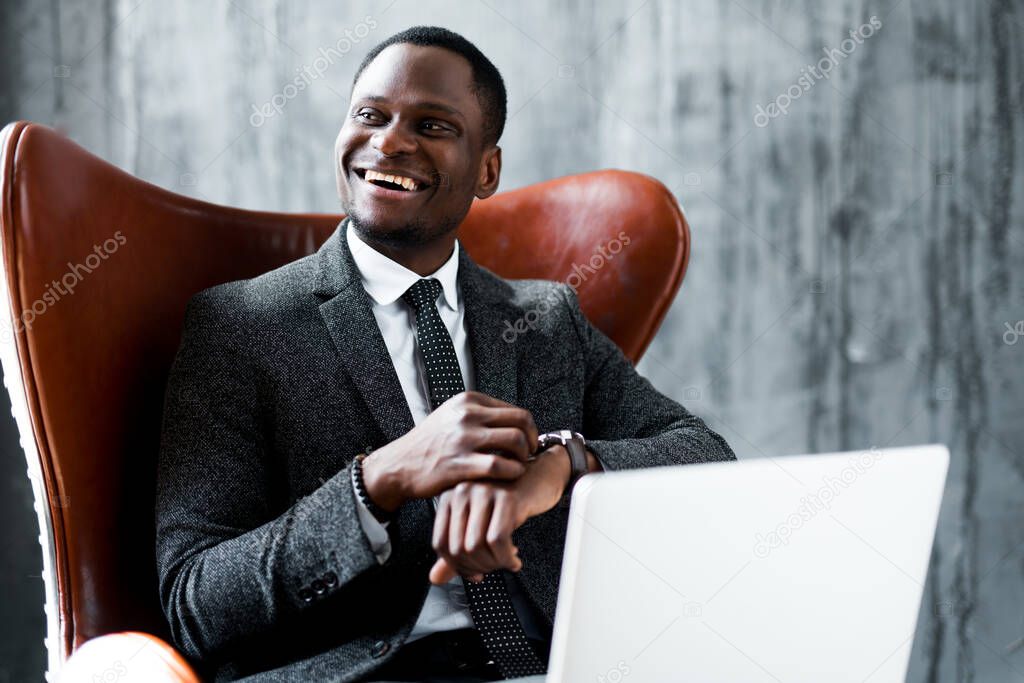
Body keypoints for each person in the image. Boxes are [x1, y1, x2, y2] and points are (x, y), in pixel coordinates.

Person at [155, 25, 735, 683]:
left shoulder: (546, 320)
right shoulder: (239, 326)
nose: (390, 141)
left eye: (432, 125)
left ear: (486, 169)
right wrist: (380, 479)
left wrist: (560, 464)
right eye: (371, 115)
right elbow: (193, 605)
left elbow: (704, 454)